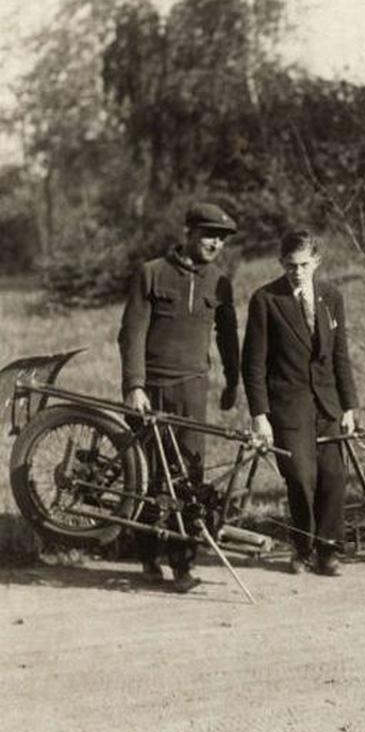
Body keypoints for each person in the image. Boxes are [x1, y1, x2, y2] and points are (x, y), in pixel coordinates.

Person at [118, 201, 241, 592]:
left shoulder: (220, 282)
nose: (215, 244)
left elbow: (227, 336)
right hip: (151, 389)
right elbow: (131, 333)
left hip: (192, 390)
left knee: (188, 476)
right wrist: (134, 385)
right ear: (188, 233)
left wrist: (233, 382)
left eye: (221, 239)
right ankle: (147, 557)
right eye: (209, 235)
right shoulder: (151, 273)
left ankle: (183, 565)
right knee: (147, 473)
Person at [242, 229, 359, 575]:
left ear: (316, 262)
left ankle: (328, 551)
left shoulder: (331, 296)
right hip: (288, 406)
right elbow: (253, 364)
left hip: (328, 403)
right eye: (291, 265)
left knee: (333, 477)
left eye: (304, 264)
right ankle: (303, 547)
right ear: (281, 262)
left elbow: (340, 355)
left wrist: (349, 406)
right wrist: (260, 415)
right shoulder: (266, 300)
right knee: (300, 477)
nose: (297, 271)